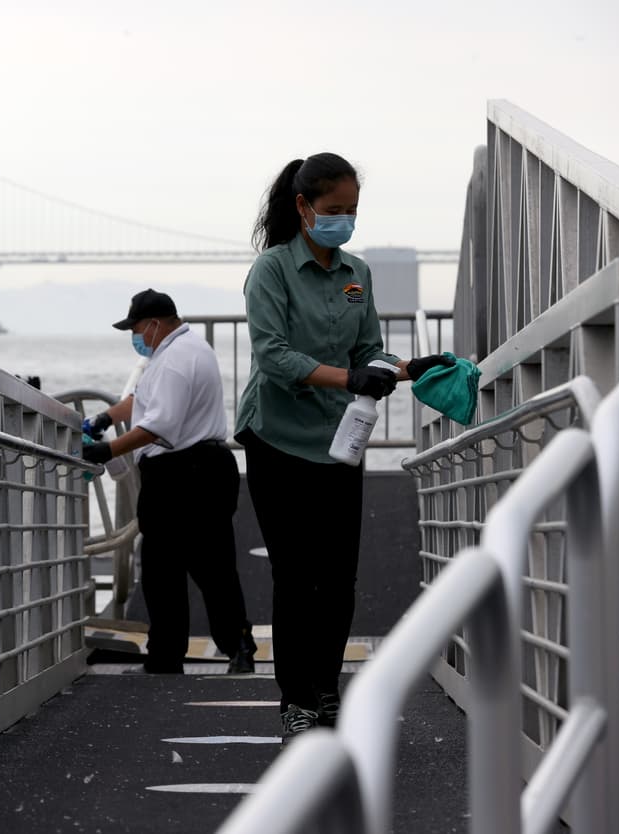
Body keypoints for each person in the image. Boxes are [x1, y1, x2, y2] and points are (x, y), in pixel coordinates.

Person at [234, 153, 455, 741]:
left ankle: (329, 689)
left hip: (338, 441)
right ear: (304, 208)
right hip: (277, 437)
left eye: (353, 211)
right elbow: (273, 357)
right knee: (294, 573)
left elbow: (368, 353)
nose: (344, 221)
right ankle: (296, 698)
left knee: (337, 576)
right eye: (334, 211)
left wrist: (409, 368)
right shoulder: (272, 271)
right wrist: (347, 378)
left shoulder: (357, 272)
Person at [82, 289, 256, 675]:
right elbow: (144, 400)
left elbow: (158, 424)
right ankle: (238, 646)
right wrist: (107, 417)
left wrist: (106, 451)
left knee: (165, 569)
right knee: (212, 567)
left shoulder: (175, 360)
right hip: (204, 468)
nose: (136, 336)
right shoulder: (184, 350)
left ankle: (167, 655)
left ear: (156, 324)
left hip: (182, 472)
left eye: (137, 328)